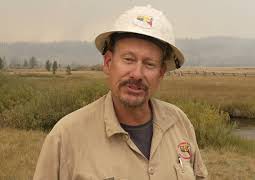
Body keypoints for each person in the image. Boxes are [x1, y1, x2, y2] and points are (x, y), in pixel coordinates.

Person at [33, 5, 208, 180]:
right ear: (108, 63)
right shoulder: (65, 137)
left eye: (149, 64)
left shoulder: (179, 122)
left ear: (161, 72)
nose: (137, 74)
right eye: (128, 59)